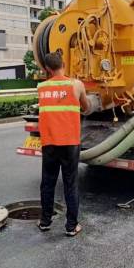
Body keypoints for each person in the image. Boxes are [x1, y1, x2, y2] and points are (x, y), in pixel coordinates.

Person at [37, 52, 89, 237]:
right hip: (70, 143)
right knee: (70, 184)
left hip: (49, 143)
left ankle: (45, 221)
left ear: (48, 69)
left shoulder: (41, 87)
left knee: (48, 183)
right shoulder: (76, 85)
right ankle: (71, 226)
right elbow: (87, 107)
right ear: (64, 64)